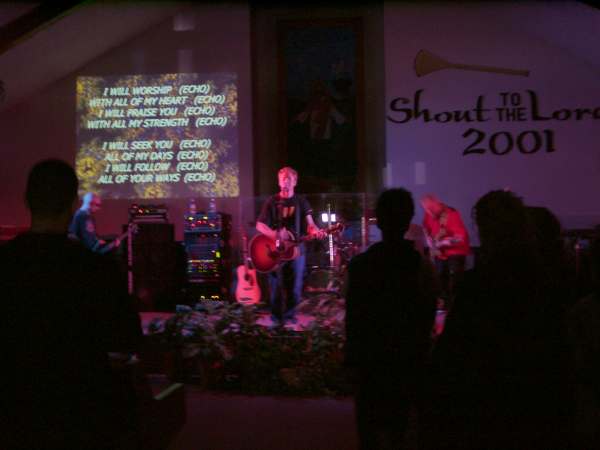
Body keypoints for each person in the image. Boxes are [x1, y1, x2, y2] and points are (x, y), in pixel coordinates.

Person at [0, 159, 142, 449]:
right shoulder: (99, 270)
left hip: (11, 413)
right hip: (82, 416)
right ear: (72, 204)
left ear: (26, 201)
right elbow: (128, 341)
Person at [422, 190, 571, 450]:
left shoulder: (478, 286)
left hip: (488, 406)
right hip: (539, 405)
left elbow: (453, 354)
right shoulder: (549, 284)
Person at [344, 188, 438, 450]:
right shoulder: (423, 268)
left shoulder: (359, 267)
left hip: (370, 364)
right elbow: (427, 316)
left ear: (379, 221)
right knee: (402, 431)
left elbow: (354, 319)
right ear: (408, 222)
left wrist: (351, 362)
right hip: (408, 362)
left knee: (370, 433)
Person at [256, 166, 325, 325]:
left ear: (295, 182)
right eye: (283, 179)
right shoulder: (272, 201)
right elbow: (260, 225)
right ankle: (276, 320)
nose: (285, 182)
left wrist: (316, 231)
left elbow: (310, 225)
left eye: (289, 179)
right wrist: (275, 234)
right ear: (279, 182)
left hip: (296, 250)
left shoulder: (301, 201)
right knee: (275, 287)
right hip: (275, 251)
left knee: (295, 287)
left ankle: (289, 318)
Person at [420, 194, 470, 309]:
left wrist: (443, 242)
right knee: (440, 281)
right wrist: (429, 241)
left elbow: (460, 238)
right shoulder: (429, 214)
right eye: (426, 209)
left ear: (437, 203)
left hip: (456, 252)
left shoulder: (452, 214)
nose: (429, 212)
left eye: (431, 208)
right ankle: (444, 307)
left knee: (454, 283)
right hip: (440, 253)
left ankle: (455, 308)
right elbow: (425, 228)